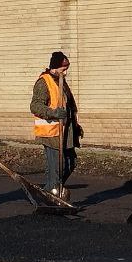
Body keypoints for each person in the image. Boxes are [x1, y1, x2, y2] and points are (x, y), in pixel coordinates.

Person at [30, 51, 81, 199]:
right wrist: (53, 113)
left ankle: (50, 190)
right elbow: (35, 106)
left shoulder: (60, 81)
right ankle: (51, 193)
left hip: (66, 132)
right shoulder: (44, 82)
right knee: (57, 168)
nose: (65, 72)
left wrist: (76, 125)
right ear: (54, 67)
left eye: (66, 69)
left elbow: (69, 105)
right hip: (52, 132)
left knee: (71, 163)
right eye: (63, 69)